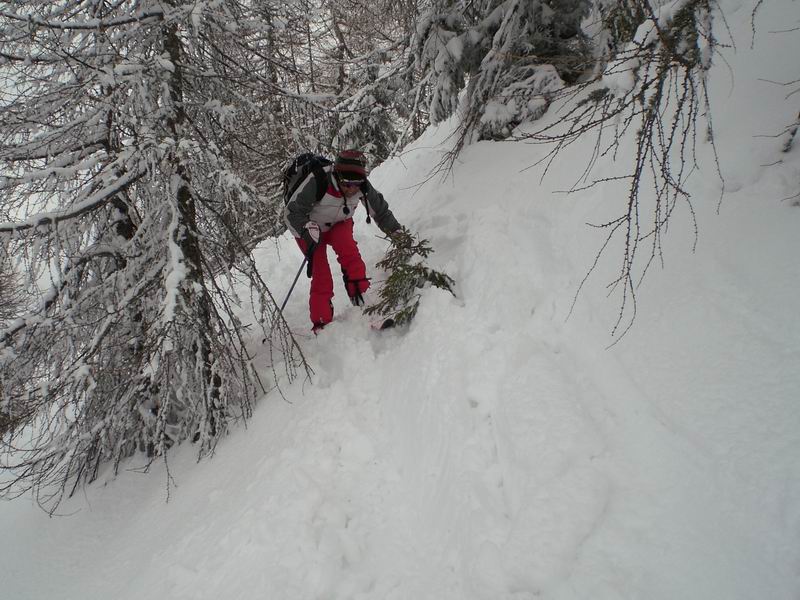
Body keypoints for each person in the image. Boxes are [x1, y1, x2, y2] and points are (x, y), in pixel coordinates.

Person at [283, 149, 402, 332]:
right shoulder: (318, 180)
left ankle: (364, 305)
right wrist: (306, 229)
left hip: (339, 222)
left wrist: (398, 234)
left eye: (356, 184)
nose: (351, 189)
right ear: (337, 175)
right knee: (321, 273)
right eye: (346, 183)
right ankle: (322, 325)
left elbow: (381, 212)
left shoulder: (363, 186)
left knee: (351, 256)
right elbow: (292, 213)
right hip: (310, 228)